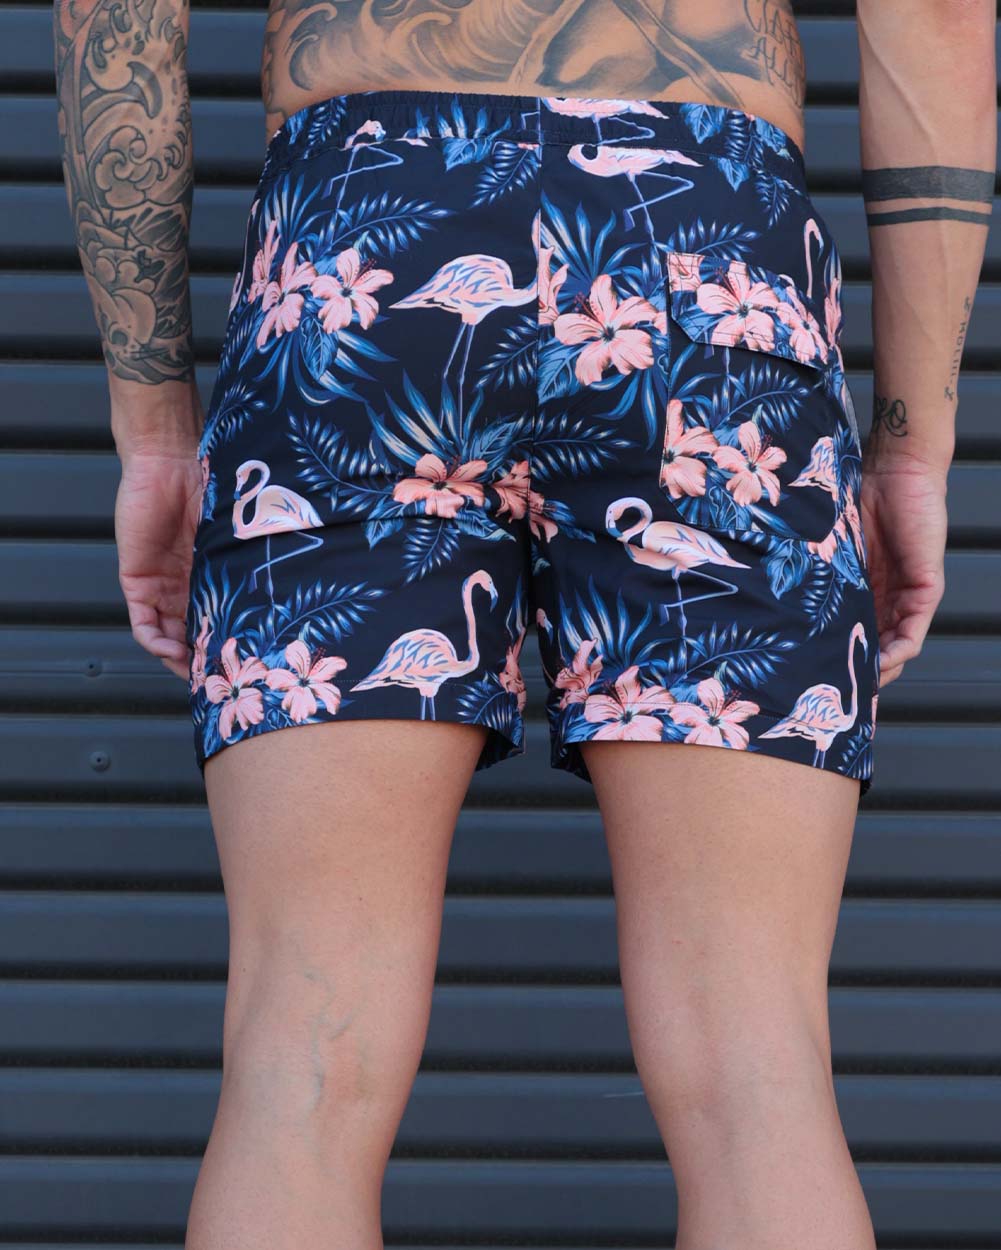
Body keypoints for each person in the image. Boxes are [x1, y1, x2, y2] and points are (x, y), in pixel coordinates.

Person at [54, 0, 994, 1246]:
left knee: (304, 1052)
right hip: (703, 253)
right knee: (752, 1059)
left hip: (365, 237)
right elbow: (936, 16)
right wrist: (912, 444)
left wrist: (155, 427)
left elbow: (118, 21)